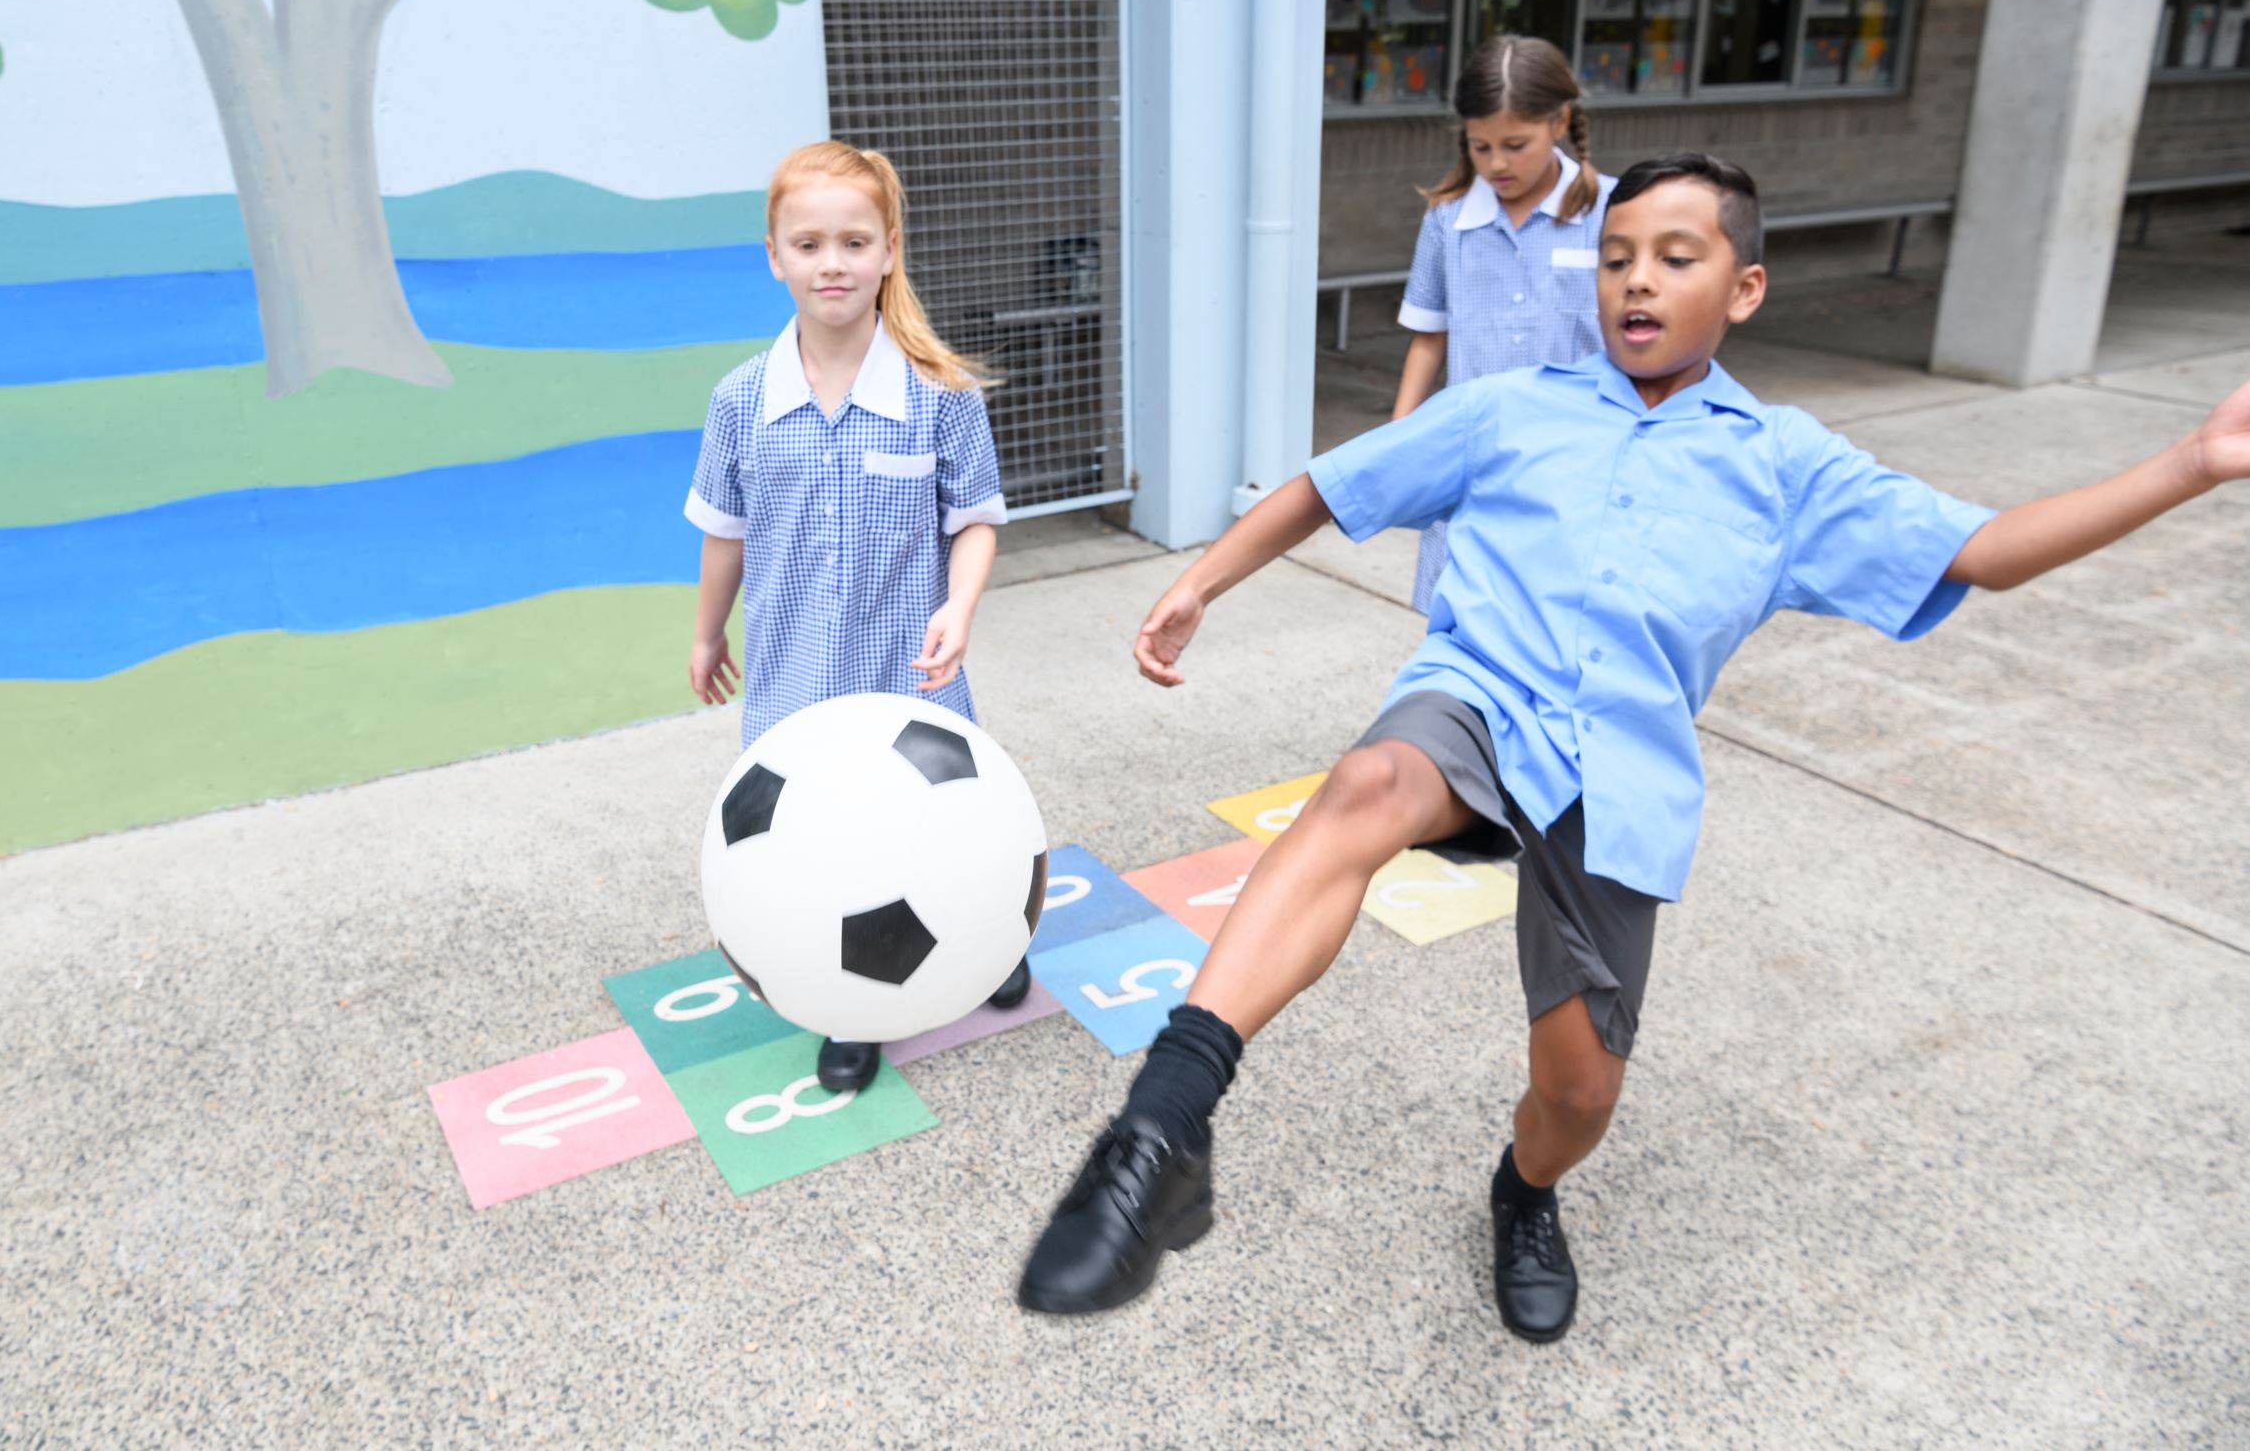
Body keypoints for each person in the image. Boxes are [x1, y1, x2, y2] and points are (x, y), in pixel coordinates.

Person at [1014, 152, 2250, 1336]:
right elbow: (1335, 483)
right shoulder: (1513, 410)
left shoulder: (1787, 467)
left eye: (1674, 256)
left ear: (1744, 287)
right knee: (1365, 785)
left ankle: (1526, 1192)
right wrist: (1202, 585)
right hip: (1477, 699)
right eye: (1614, 259)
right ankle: (1159, 1130)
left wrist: (2195, 460)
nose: (1637, 281)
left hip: (1620, 777)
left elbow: (1985, 546)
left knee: (1579, 1091)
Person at [683, 141, 1032, 1094]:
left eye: (851, 240)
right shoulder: (740, 403)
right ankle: (846, 1007)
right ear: (774, 257)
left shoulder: (940, 394)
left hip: (910, 680)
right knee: (819, 850)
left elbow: (974, 524)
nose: (829, 261)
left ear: (888, 251)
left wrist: (959, 607)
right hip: (795, 685)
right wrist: (709, 632)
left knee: (953, 832)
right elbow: (724, 533)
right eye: (807, 243)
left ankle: (991, 943)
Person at [1392, 34, 1612, 614]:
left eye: (1516, 145)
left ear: (1560, 121)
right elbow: (1429, 336)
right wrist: (1399, 439)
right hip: (1473, 463)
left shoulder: (1613, 214)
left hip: (1581, 463)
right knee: (1463, 619)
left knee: (1562, 618)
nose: (1496, 164)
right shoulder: (1447, 221)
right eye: (1480, 145)